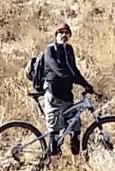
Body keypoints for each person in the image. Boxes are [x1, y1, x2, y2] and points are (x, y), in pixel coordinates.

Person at [24, 22, 96, 151]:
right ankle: (54, 167)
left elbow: (74, 70)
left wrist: (86, 84)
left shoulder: (69, 50)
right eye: (61, 32)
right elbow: (60, 71)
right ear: (56, 35)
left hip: (67, 96)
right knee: (55, 133)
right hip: (54, 95)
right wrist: (78, 81)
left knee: (75, 129)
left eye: (67, 33)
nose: (64, 35)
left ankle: (77, 165)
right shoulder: (50, 50)